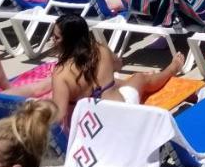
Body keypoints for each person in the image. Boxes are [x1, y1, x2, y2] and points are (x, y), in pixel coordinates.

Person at [48, 11, 185, 124]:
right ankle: (171, 69)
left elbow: (58, 118)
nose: (52, 40)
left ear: (70, 41)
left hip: (92, 126)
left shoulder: (61, 73)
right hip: (122, 110)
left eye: (56, 37)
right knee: (139, 77)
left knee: (119, 82)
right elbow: (118, 65)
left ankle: (169, 70)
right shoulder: (100, 49)